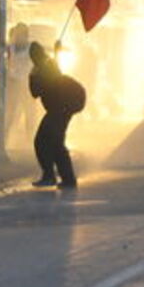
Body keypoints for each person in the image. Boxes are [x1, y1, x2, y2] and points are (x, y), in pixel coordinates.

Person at [29, 42, 83, 189]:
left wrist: (33, 75)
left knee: (44, 142)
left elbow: (35, 91)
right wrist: (56, 52)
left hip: (59, 110)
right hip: (59, 110)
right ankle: (63, 178)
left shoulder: (44, 68)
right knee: (53, 143)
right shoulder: (47, 65)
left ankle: (54, 176)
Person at [0, 23, 36, 156]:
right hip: (13, 83)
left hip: (27, 85)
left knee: (29, 114)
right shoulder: (10, 47)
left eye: (20, 35)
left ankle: (29, 141)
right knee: (10, 114)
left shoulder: (32, 48)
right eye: (16, 35)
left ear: (26, 36)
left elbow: (43, 60)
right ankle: (3, 142)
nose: (18, 38)